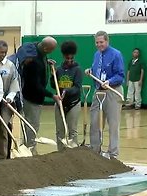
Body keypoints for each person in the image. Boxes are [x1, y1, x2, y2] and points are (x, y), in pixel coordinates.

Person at [85, 31, 124, 159]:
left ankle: (113, 153)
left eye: (101, 42)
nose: (99, 45)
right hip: (98, 92)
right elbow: (97, 70)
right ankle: (95, 150)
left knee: (113, 124)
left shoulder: (116, 54)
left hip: (113, 91)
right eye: (97, 42)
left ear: (107, 41)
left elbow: (120, 75)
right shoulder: (96, 55)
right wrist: (90, 71)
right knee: (95, 122)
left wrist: (110, 81)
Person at [20, 36, 59, 155]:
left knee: (32, 123)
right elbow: (35, 85)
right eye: (51, 50)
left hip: (36, 97)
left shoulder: (39, 49)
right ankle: (29, 149)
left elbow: (40, 59)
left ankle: (29, 147)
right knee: (32, 124)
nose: (51, 52)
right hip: (31, 97)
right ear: (46, 48)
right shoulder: (34, 62)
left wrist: (46, 62)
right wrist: (52, 95)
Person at [50, 40, 82, 150]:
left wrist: (66, 91)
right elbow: (54, 86)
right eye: (67, 58)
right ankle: (61, 154)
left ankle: (73, 154)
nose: (69, 60)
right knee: (60, 131)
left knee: (72, 130)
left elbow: (77, 88)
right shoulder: (59, 69)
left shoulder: (77, 70)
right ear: (64, 56)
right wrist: (52, 74)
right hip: (59, 103)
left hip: (73, 103)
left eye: (71, 58)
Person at [0, 40, 20, 160]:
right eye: (0, 52)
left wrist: (10, 97)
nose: (3, 55)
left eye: (5, 52)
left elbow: (14, 83)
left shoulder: (10, 65)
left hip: (5, 103)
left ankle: (2, 157)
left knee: (3, 130)